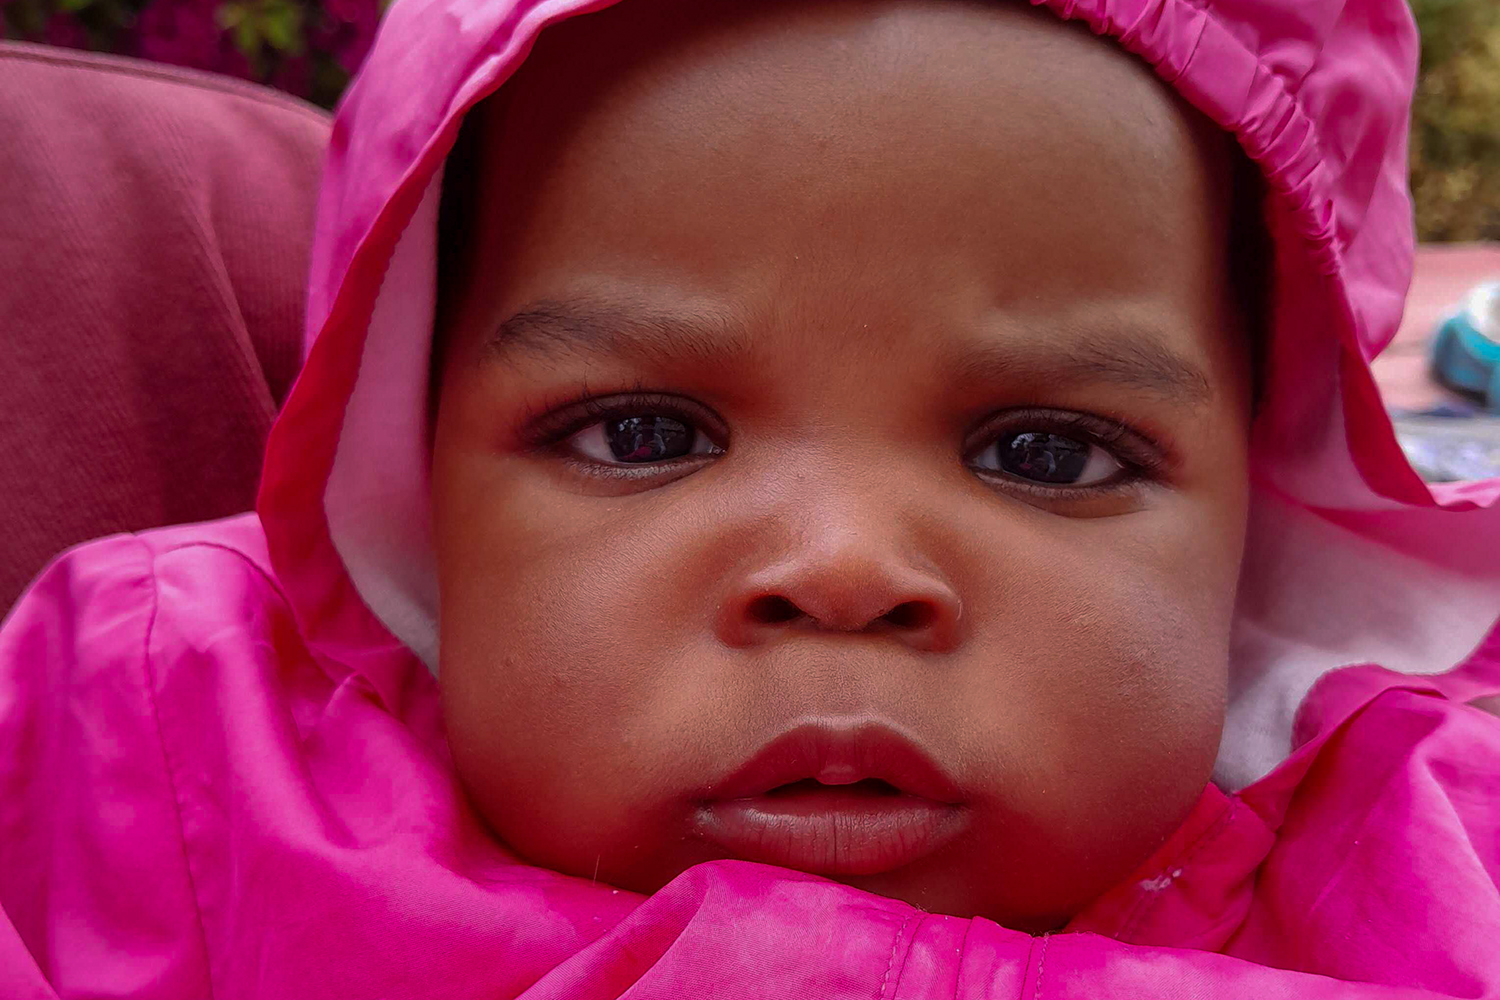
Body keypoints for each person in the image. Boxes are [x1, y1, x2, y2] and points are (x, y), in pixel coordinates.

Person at [3, 0, 1500, 995]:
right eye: (644, 431)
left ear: (1260, 523)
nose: (841, 569)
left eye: (1045, 453)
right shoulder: (162, 750)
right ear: (405, 488)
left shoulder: (1423, 878)